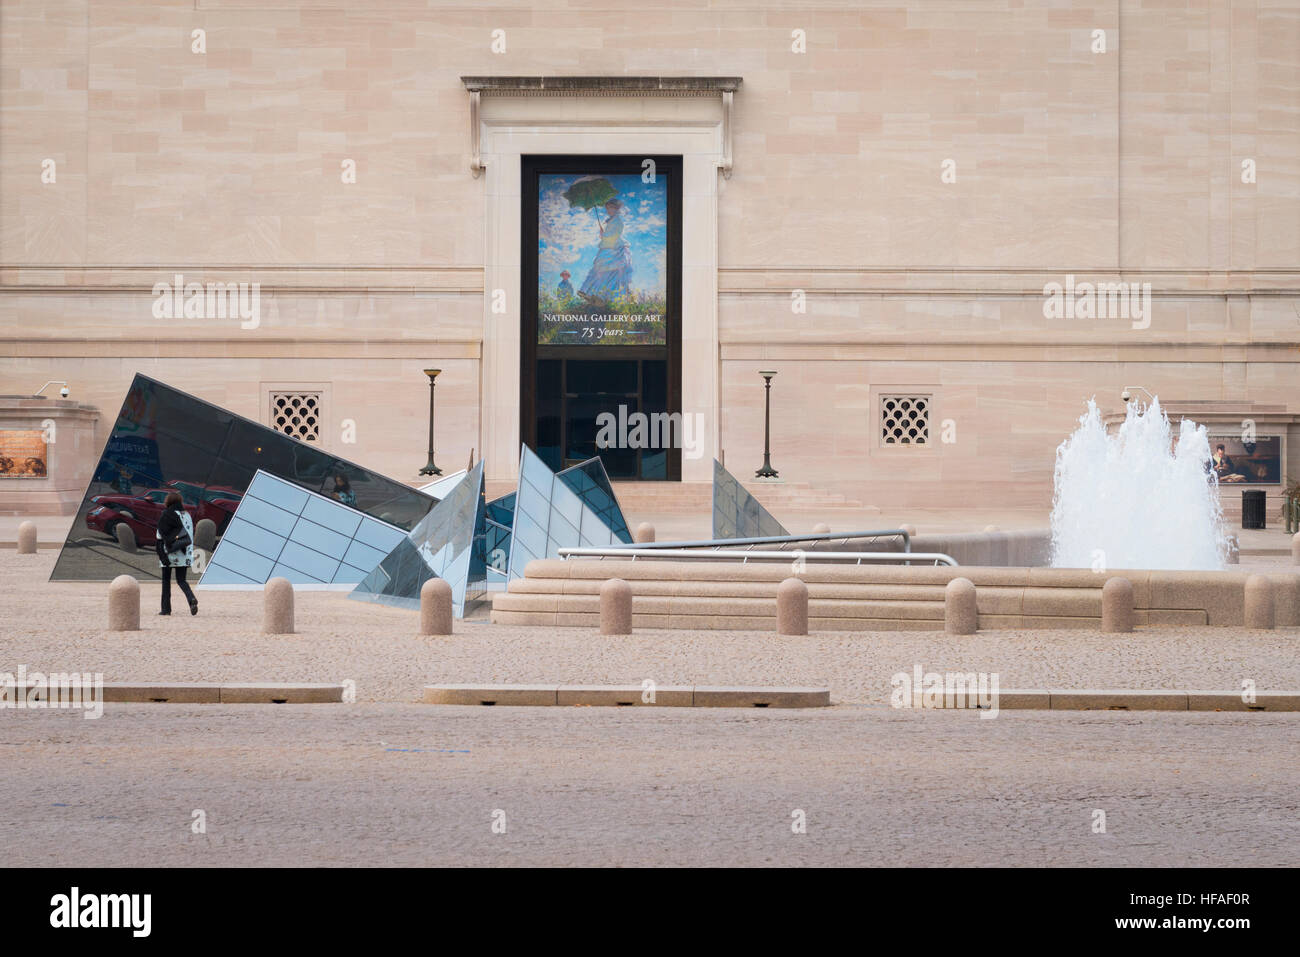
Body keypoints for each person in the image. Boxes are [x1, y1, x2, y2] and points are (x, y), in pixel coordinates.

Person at [578, 198, 633, 304]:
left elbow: (614, 235)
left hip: (614, 249)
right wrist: (604, 234)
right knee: (599, 271)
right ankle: (589, 293)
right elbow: (608, 236)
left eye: (610, 208)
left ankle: (601, 296)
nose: (608, 211)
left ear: (616, 209)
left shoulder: (618, 221)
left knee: (609, 274)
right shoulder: (611, 221)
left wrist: (604, 235)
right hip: (607, 248)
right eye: (607, 208)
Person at [155, 491, 197, 616]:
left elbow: (160, 535)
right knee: (181, 580)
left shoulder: (166, 515)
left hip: (169, 551)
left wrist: (162, 554)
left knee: (166, 581)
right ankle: (191, 599)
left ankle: (166, 609)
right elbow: (189, 534)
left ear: (168, 501)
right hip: (184, 552)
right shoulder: (187, 515)